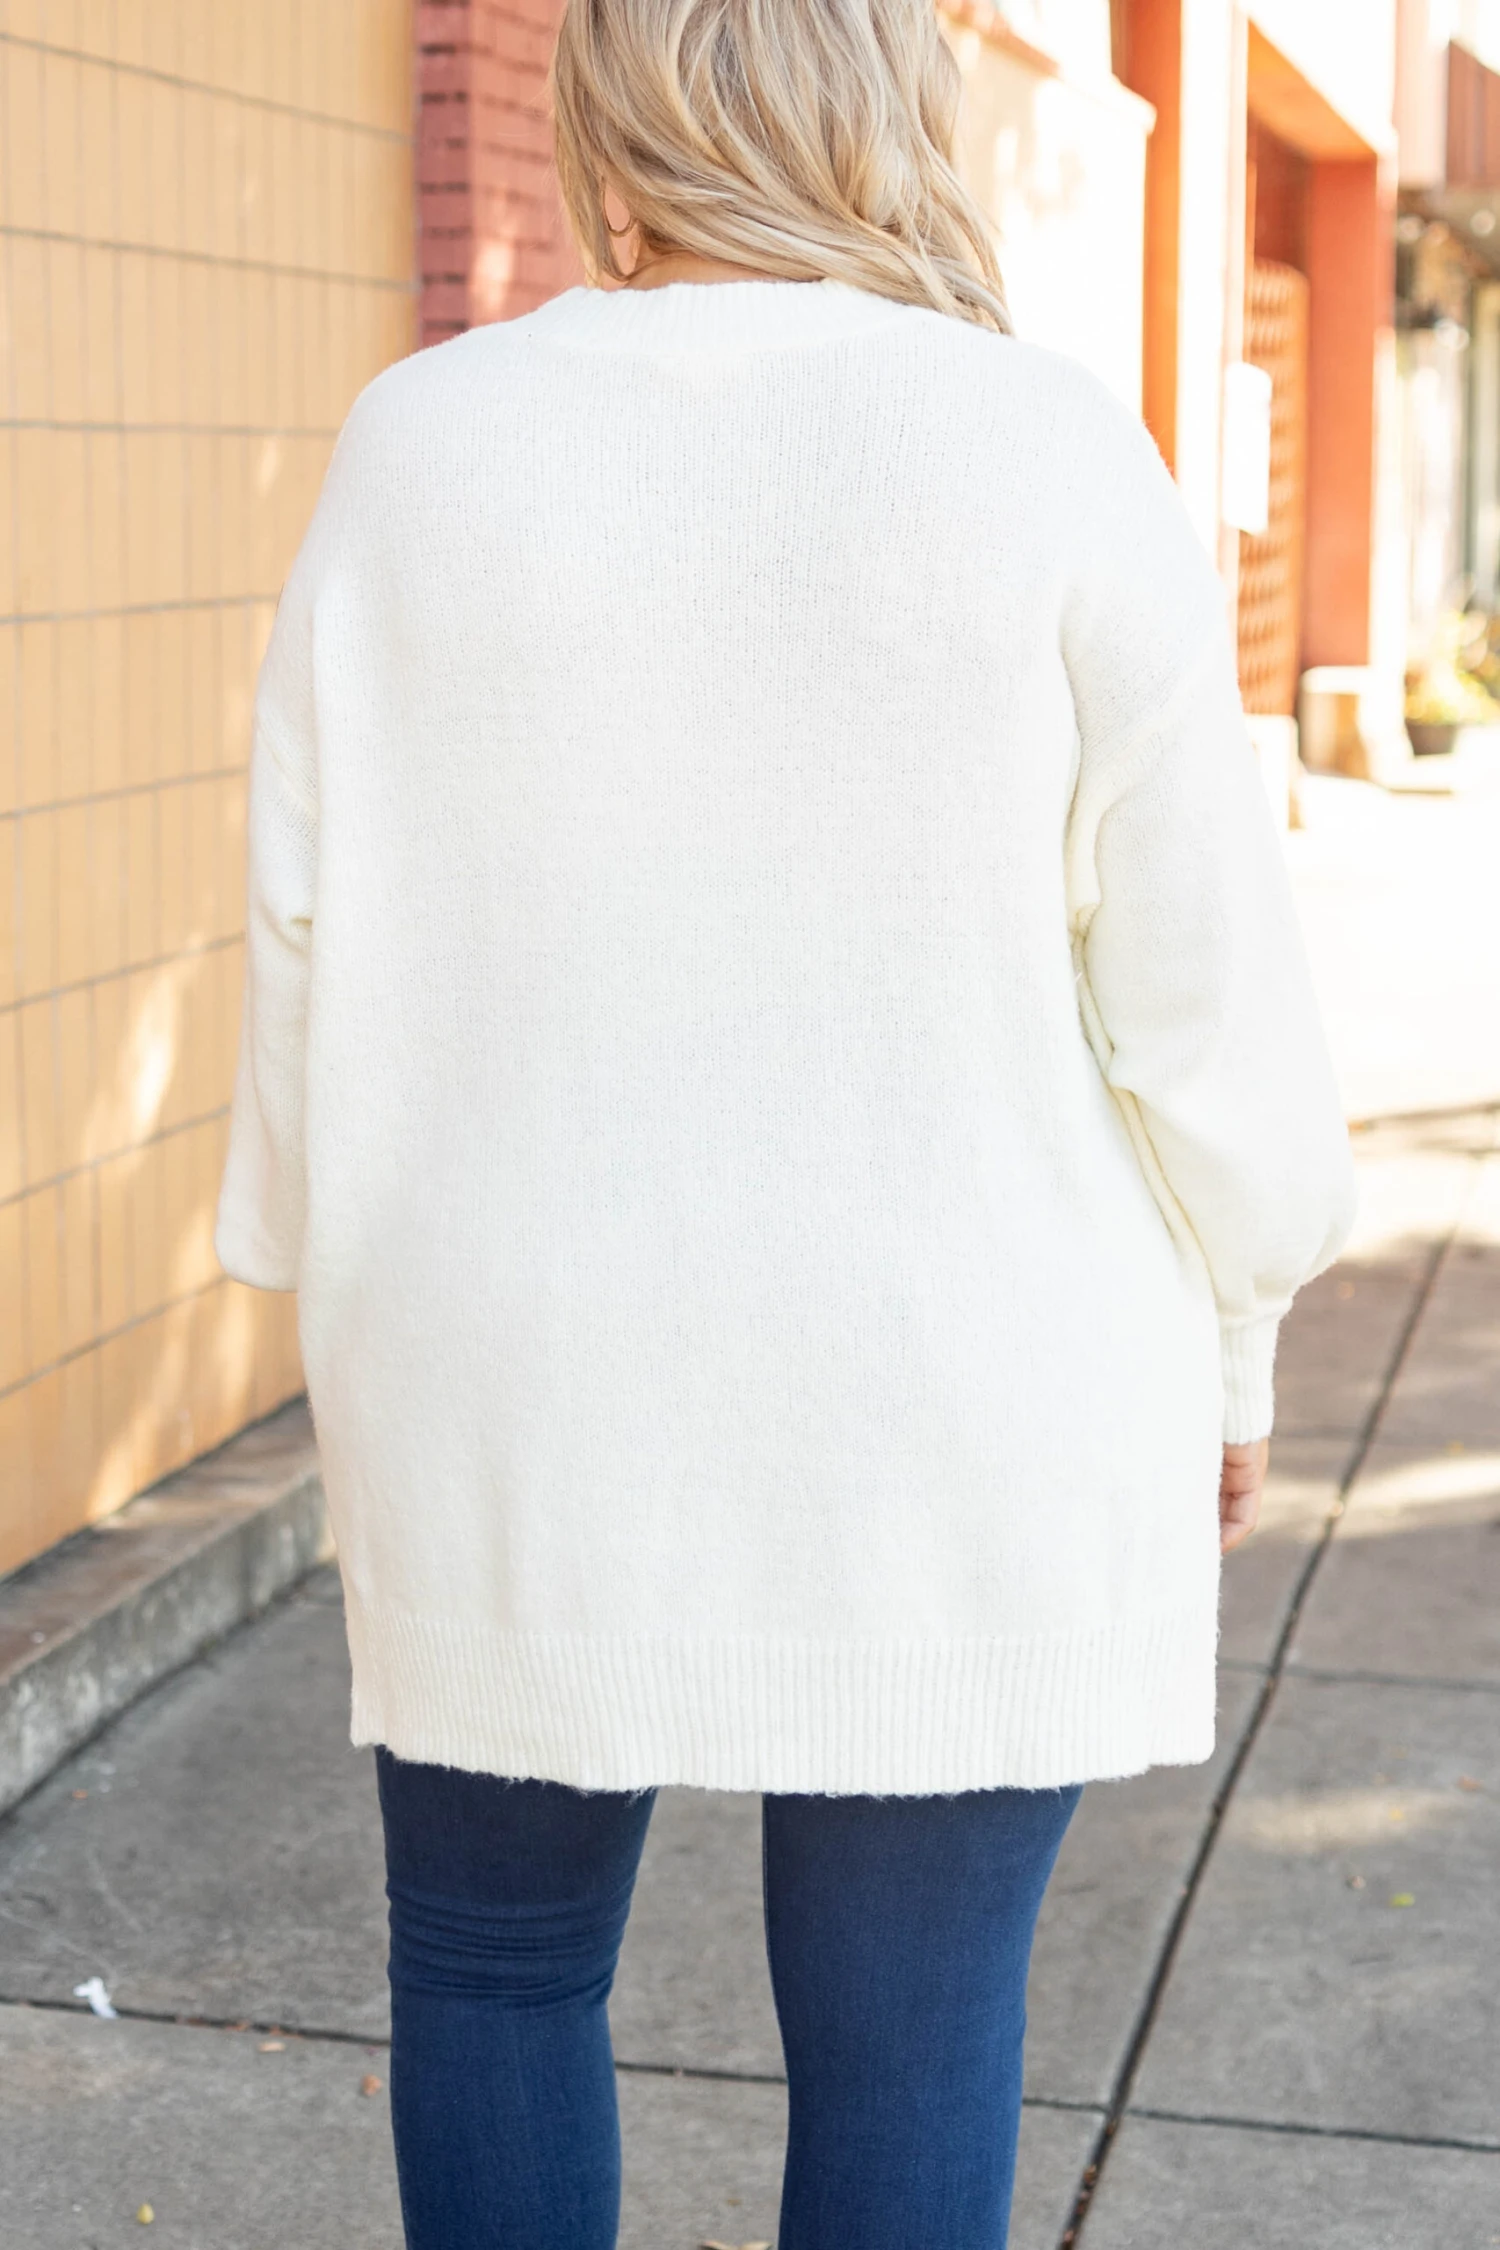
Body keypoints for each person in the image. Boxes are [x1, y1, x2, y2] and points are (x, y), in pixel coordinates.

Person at [214, 2, 1356, 2242]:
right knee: (913, 2042)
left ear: (606, 108)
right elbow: (1204, 998)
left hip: (515, 1368)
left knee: (494, 1970)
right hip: (965, 1375)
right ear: (889, 98)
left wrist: (314, 1275)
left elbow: (301, 917)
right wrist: (1238, 1344)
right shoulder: (1046, 448)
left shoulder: (420, 443)